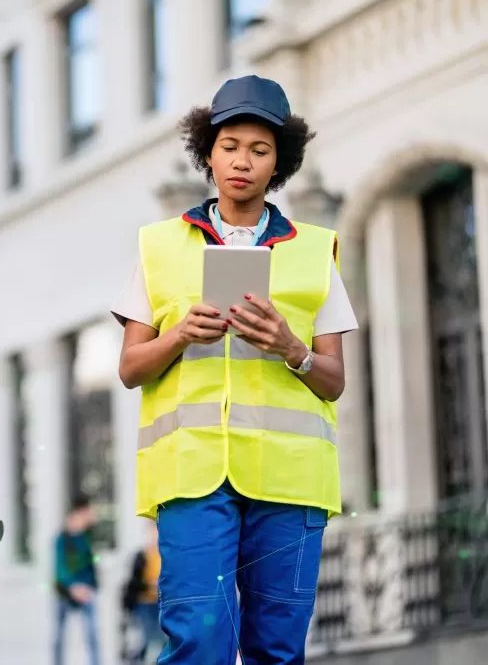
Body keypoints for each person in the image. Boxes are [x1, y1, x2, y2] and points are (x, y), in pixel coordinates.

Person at [111, 75, 358, 664]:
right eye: (229, 146)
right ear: (207, 153)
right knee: (198, 639)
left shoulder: (314, 250)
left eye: (259, 149)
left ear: (279, 164)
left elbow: (334, 379)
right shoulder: (158, 247)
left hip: (291, 483)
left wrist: (289, 347)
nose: (242, 161)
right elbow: (128, 368)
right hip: (193, 480)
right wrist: (179, 335)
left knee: (277, 647)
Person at [53, 495, 100, 665]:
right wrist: (73, 587)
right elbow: (60, 568)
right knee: (58, 636)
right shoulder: (62, 538)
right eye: (89, 512)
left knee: (92, 635)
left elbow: (92, 562)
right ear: (80, 512)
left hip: (87, 591)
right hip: (65, 592)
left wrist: (91, 585)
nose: (92, 515)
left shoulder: (87, 537)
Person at [121, 521, 165, 663]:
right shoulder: (141, 556)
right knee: (148, 637)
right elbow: (134, 582)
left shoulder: (165, 555)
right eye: (151, 532)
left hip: (160, 604)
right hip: (144, 603)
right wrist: (150, 586)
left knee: (159, 638)